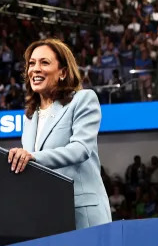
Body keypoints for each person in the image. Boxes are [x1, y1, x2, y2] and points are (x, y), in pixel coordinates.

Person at [7, 38, 112, 229]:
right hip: (48, 216)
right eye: (32, 63)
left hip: (82, 213)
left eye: (44, 62)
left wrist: (32, 157)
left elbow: (80, 149)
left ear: (63, 72)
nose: (35, 69)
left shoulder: (83, 100)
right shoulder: (30, 117)